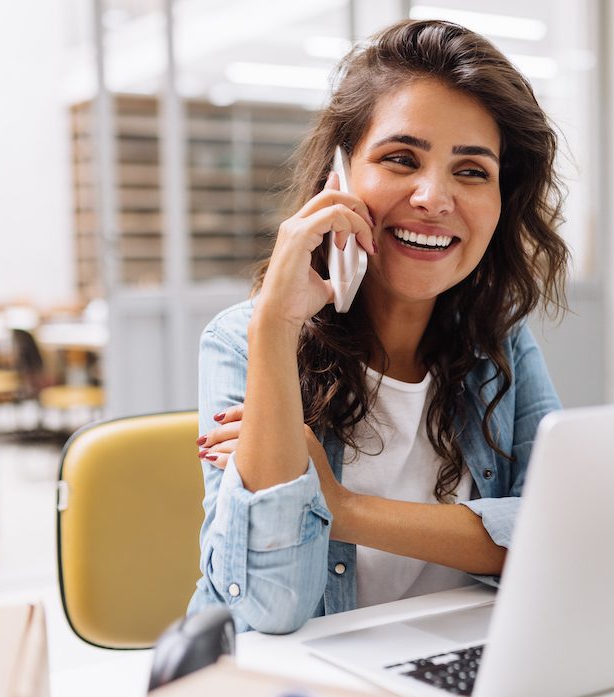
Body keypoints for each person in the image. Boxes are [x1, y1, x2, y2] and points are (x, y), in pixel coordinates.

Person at [187, 18, 570, 634]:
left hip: (443, 659)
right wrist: (275, 327)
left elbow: (556, 537)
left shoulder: (497, 343)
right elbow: (269, 607)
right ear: (337, 179)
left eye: (471, 171)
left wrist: (340, 508)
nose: (434, 197)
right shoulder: (244, 339)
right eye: (400, 158)